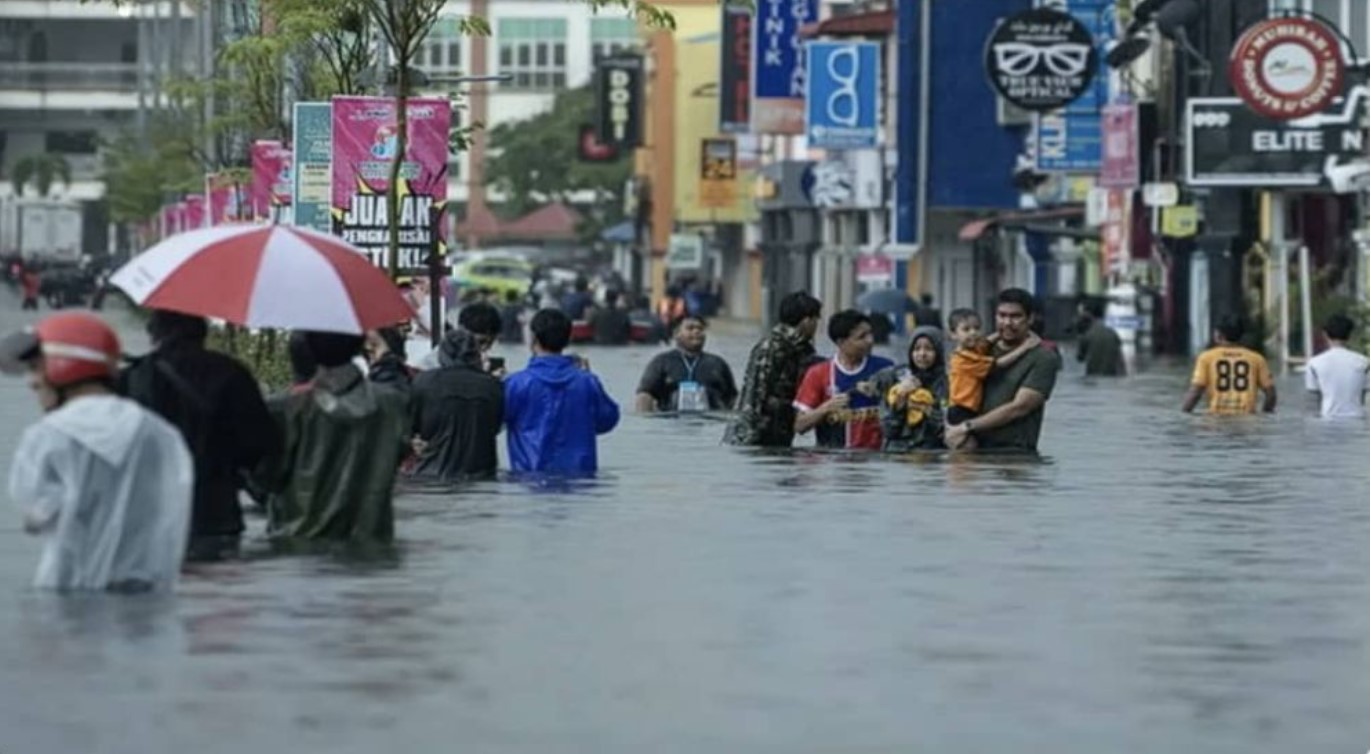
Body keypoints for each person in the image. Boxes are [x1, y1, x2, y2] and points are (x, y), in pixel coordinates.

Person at [2, 312, 193, 591]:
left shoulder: (47, 436)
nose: (31, 381)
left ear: (61, 364)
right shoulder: (159, 434)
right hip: (148, 597)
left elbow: (37, 515)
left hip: (68, 594)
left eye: (35, 367)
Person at [118, 310, 281, 560]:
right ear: (202, 332)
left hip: (149, 512)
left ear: (154, 333)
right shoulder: (232, 373)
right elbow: (259, 445)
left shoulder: (132, 377)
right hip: (215, 512)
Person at [259, 331, 411, 541]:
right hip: (372, 544)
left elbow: (265, 479)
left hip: (298, 545)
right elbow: (401, 453)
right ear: (359, 345)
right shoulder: (392, 404)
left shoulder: (285, 409)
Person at [504, 309, 620, 474]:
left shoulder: (515, 384)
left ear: (533, 339)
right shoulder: (587, 382)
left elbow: (491, 423)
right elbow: (607, 421)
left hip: (528, 482)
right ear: (568, 340)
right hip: (581, 484)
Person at [945, 289, 1060, 453]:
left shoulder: (1042, 357)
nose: (1007, 322)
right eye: (1002, 315)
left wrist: (967, 427)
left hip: (1013, 455)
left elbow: (1020, 407)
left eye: (1015, 316)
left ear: (1030, 319)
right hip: (970, 450)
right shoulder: (979, 350)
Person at [724, 291, 822, 447]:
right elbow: (756, 394)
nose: (816, 325)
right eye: (816, 319)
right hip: (755, 435)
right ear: (806, 320)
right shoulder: (772, 347)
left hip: (781, 431)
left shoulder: (801, 349)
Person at [409, 330, 504, 480]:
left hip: (430, 476)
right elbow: (496, 426)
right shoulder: (493, 386)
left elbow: (411, 428)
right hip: (481, 478)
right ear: (476, 355)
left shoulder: (423, 382)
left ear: (442, 354)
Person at [793, 309, 894, 450]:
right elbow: (799, 426)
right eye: (862, 337)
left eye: (871, 334)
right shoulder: (818, 374)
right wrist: (826, 408)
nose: (870, 341)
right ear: (841, 342)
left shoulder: (886, 369)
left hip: (875, 461)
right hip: (833, 462)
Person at [635, 315, 738, 413]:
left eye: (700, 329)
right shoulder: (661, 362)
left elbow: (734, 399)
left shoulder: (718, 363)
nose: (696, 331)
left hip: (711, 421)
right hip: (672, 421)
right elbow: (644, 394)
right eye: (690, 328)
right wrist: (645, 421)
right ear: (677, 334)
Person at [872, 325, 948, 451]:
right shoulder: (895, 379)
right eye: (917, 349)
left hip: (930, 453)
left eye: (929, 349)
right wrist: (900, 401)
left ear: (938, 352)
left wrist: (925, 408)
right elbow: (888, 431)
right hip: (897, 453)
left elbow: (944, 428)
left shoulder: (946, 384)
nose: (922, 354)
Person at [1182, 315, 1276, 415]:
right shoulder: (1257, 359)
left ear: (1219, 335)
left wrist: (1184, 414)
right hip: (1248, 422)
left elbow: (1195, 393)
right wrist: (1265, 415)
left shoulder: (1206, 358)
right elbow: (1271, 395)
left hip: (1216, 421)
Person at [1304, 313, 1368, 418]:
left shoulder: (1314, 364)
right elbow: (1363, 396)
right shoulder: (1364, 363)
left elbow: (1313, 399)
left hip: (1328, 420)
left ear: (1325, 334)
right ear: (1350, 335)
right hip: (1356, 421)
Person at [1075, 299, 1125, 376]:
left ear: (1088, 314)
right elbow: (1121, 363)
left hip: (1092, 379)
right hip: (1112, 381)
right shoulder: (1112, 333)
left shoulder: (1087, 336)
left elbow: (1080, 358)